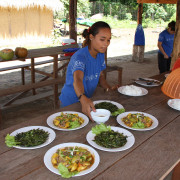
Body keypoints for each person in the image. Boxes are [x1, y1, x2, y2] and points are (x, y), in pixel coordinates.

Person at [59, 21, 118, 120]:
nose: (106, 44)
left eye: (108, 40)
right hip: (70, 103)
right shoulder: (80, 57)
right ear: (91, 37)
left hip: (86, 101)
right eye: (102, 39)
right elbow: (77, 79)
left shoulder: (100, 54)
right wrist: (82, 97)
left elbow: (101, 76)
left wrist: (108, 88)